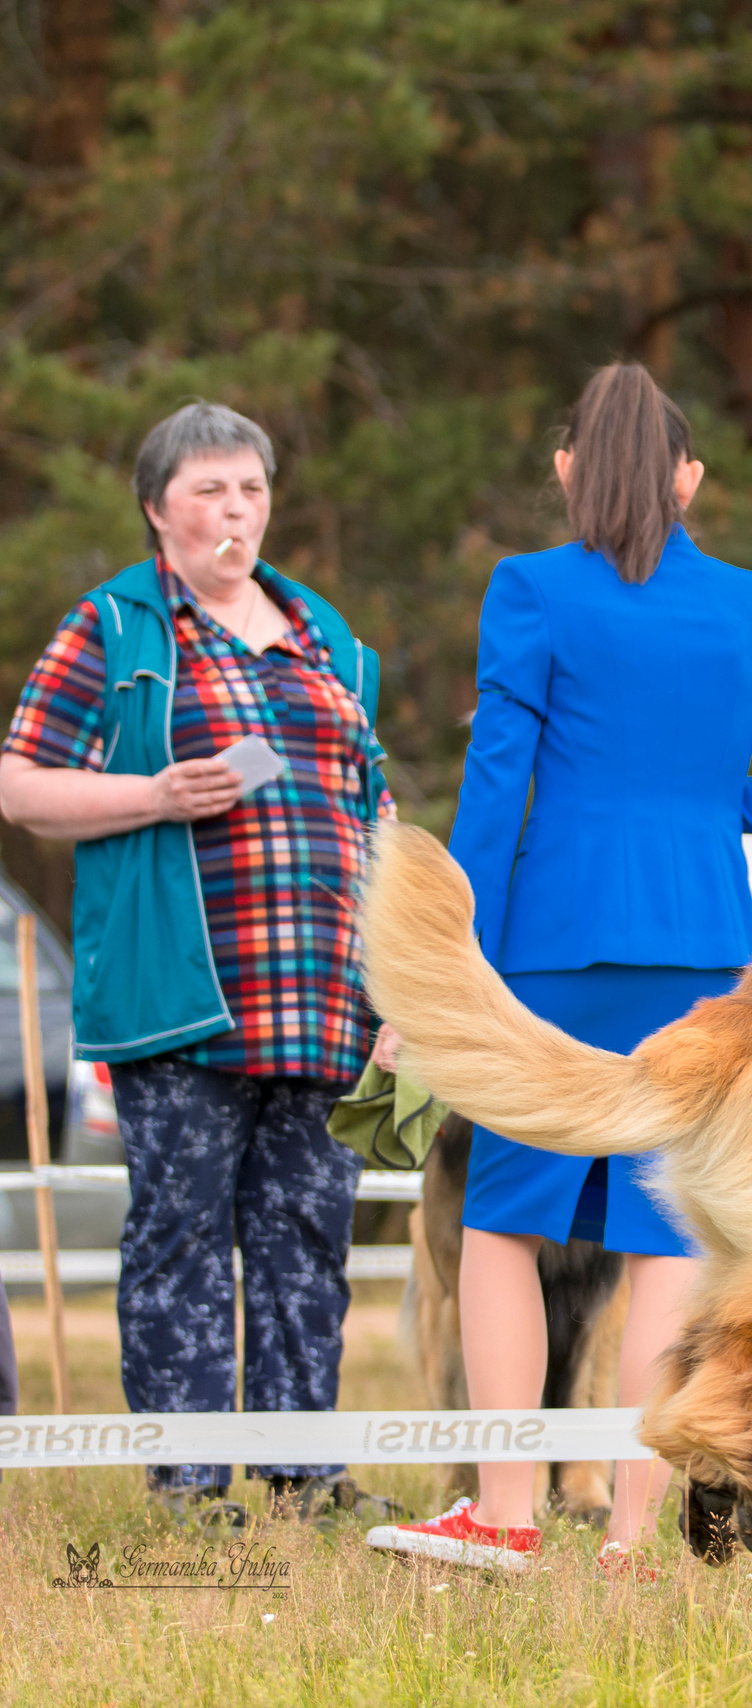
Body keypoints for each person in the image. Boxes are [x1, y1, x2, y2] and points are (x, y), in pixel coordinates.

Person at [369, 365, 752, 1575]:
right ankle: (630, 1538)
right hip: (702, 957)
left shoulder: (529, 590)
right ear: (689, 479)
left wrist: (448, 966)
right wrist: (688, 803)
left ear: (568, 469)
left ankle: (505, 1514)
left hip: (554, 953)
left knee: (502, 1226)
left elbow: (493, 792)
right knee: (664, 1244)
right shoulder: (746, 602)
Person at [0, 402, 400, 1529]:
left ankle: (302, 1477)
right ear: (157, 509)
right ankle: (188, 1484)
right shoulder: (114, 628)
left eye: (252, 489)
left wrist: (398, 979)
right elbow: (20, 784)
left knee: (307, 1237)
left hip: (323, 997)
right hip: (181, 993)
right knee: (180, 1235)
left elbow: (372, 804)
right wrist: (154, 793)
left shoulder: (327, 635)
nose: (236, 510)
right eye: (210, 490)